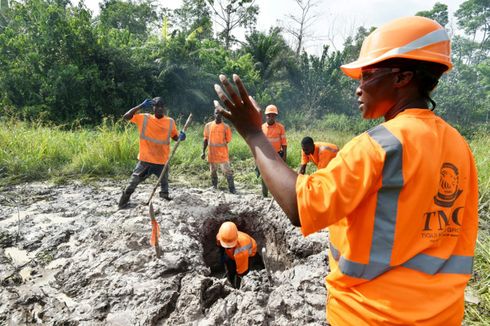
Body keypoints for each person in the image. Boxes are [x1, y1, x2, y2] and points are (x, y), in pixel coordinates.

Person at [213, 16, 478, 325]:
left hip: (371, 315)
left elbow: (301, 205)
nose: (358, 88)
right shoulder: (459, 146)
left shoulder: (378, 146)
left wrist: (253, 133)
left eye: (366, 75)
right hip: (443, 316)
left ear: (402, 77)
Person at [118, 97, 186, 208]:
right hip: (145, 160)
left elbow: (175, 137)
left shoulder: (170, 122)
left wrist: (181, 137)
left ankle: (164, 197)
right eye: (157, 106)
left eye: (161, 106)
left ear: (164, 108)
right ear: (152, 107)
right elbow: (126, 116)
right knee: (133, 182)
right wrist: (140, 106)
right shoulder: (144, 118)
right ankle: (123, 202)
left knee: (164, 183)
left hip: (162, 161)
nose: (159, 108)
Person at [201, 109, 236, 193]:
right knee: (212, 171)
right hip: (212, 154)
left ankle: (232, 189)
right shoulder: (208, 126)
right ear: (214, 114)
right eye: (217, 113)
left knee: (227, 171)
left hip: (222, 154)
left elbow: (228, 140)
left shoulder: (226, 127)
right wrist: (203, 152)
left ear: (222, 115)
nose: (218, 115)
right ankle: (214, 186)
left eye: (220, 113)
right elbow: (205, 139)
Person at [216, 221, 257, 289]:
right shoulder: (221, 236)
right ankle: (231, 278)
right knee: (230, 265)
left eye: (229, 247)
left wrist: (238, 279)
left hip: (248, 254)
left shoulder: (242, 250)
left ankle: (237, 286)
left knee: (242, 273)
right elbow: (219, 245)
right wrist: (222, 257)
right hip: (235, 254)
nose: (228, 247)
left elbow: (242, 270)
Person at [258, 104, 287, 197]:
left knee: (278, 175)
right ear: (266, 116)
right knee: (264, 175)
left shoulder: (280, 127)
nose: (271, 117)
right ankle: (265, 195)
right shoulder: (261, 127)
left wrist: (284, 155)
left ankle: (278, 195)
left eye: (273, 115)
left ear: (275, 116)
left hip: (277, 155)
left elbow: (284, 143)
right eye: (269, 115)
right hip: (265, 155)